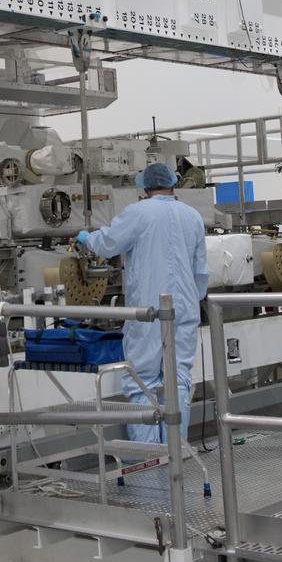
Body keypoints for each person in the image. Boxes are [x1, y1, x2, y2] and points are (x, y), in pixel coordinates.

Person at [75, 162, 208, 444]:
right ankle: (176, 449)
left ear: (145, 187)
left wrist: (88, 239)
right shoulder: (192, 215)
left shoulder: (138, 212)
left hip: (148, 310)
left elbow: (108, 244)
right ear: (173, 183)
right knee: (179, 377)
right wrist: (191, 301)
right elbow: (201, 271)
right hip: (184, 307)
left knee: (142, 379)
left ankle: (149, 457)